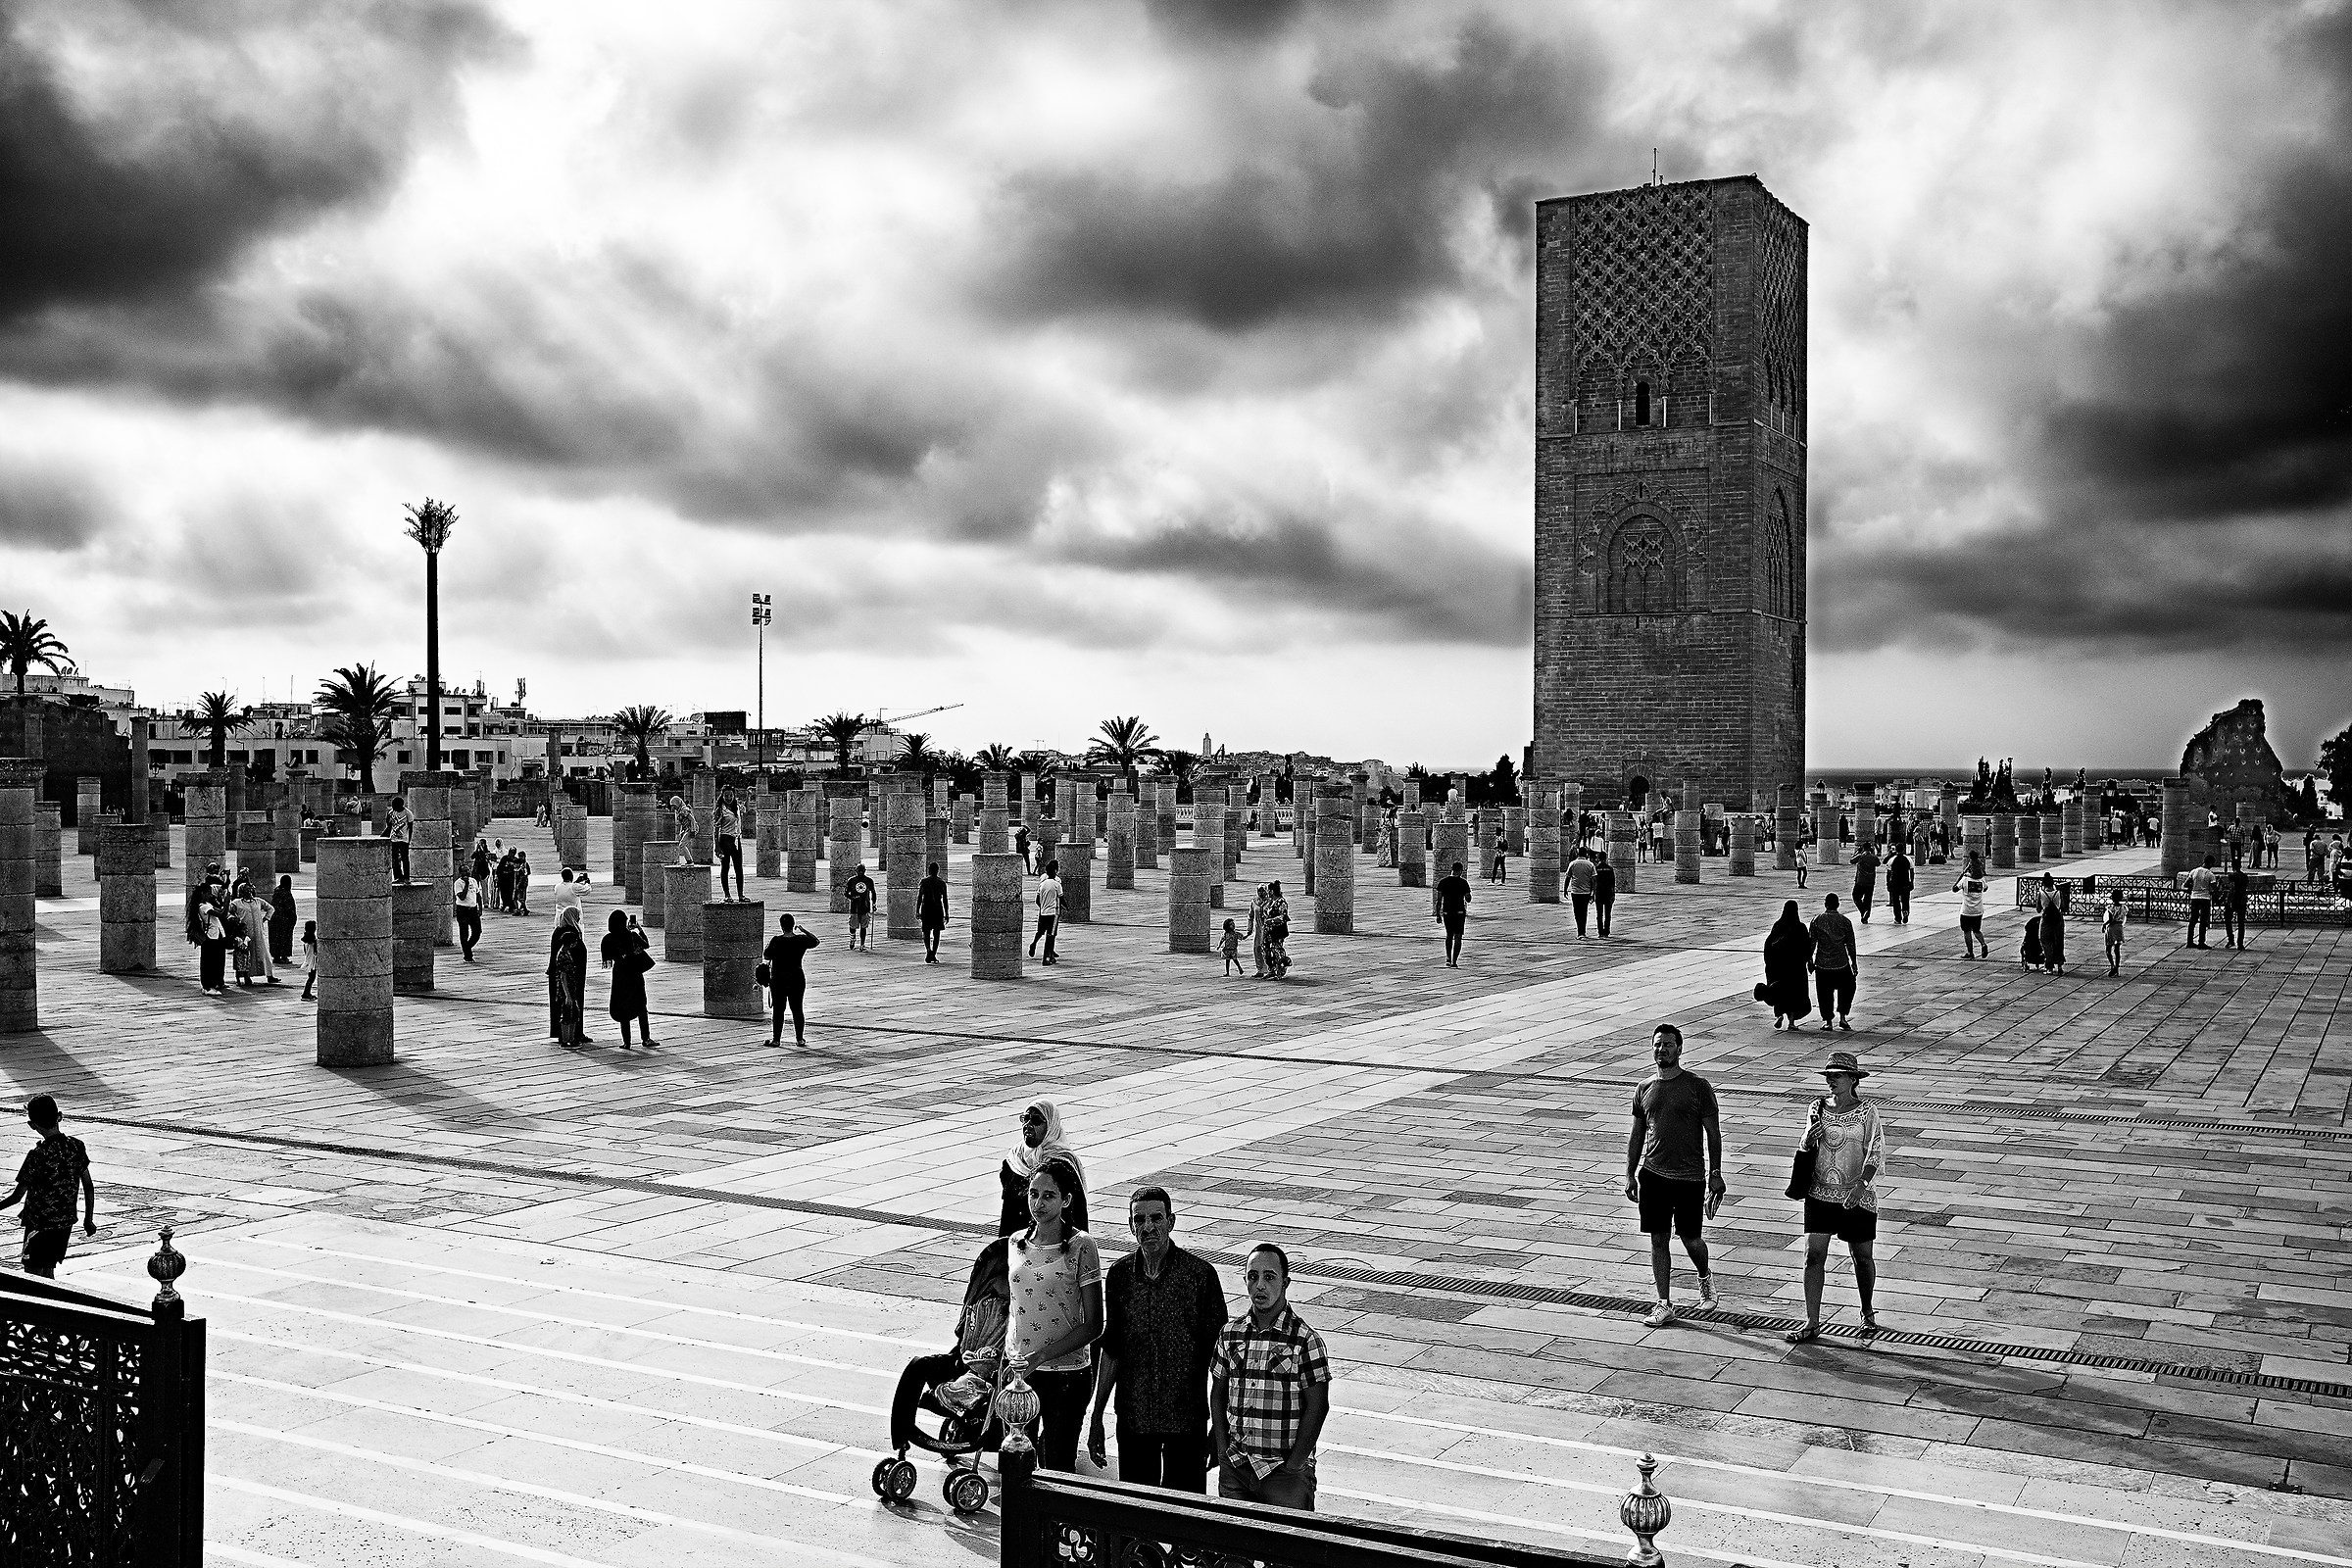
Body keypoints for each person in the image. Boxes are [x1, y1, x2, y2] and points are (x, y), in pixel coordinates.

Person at [1088, 1187, 1229, 1492]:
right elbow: (1111, 1349)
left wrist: (1220, 1427)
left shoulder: (1199, 1276)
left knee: (1185, 1518)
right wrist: (1096, 1416)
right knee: (1137, 1519)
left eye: (1156, 1218)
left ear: (1171, 1221)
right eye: (1140, 1220)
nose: (1148, 1227)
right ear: (1130, 1225)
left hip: (1186, 1420)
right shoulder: (1120, 1275)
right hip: (1134, 1419)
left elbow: (1221, 1360)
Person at [1210, 1243, 1330, 1511]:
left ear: (1285, 1282)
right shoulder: (1231, 1334)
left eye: (1269, 1277)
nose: (1260, 1285)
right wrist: (1223, 1451)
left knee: (1287, 1550)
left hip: (1284, 1474)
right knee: (1234, 1550)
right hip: (1238, 1468)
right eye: (1253, 1277)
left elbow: (1318, 1406)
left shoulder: (1304, 1340)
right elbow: (1218, 1394)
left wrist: (1295, 1464)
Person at [1004, 1162, 1102, 1473]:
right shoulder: (1015, 1242)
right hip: (1021, 1373)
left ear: (1067, 1200)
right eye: (1034, 1194)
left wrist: (1041, 1355)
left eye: (1049, 1195)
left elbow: (1094, 1324)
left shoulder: (1081, 1246)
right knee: (1017, 1462)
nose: (1039, 1203)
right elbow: (1015, 1306)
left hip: (1065, 1377)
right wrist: (1008, 1357)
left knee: (1056, 1466)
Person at [1624, 1024, 1724, 1325]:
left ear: (1679, 1049)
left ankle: (1705, 1277)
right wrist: (1630, 1174)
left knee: (1691, 1239)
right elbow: (1637, 1134)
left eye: (1668, 1045)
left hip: (1690, 1177)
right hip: (1653, 1175)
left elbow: (1713, 1134)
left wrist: (1716, 1173)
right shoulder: (1644, 1089)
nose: (1661, 1049)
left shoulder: (1697, 1086)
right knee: (1658, 1239)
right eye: (1657, 1045)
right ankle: (1664, 1303)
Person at [1787, 1051, 1886, 1344]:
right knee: (1812, 1256)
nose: (1831, 1081)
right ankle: (1811, 1321)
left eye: (1837, 1076)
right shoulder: (1817, 1107)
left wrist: (1862, 1185)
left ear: (1853, 1079)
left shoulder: (1867, 1112)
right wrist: (1807, 1140)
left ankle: (1867, 1311)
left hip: (1856, 1196)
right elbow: (1806, 1142)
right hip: (1819, 1193)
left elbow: (1875, 1150)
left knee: (1862, 1258)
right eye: (1829, 1076)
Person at [1, 1096, 94, 1279]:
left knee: (34, 1276)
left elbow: (16, 1196)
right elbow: (88, 1186)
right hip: (64, 1224)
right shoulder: (76, 1147)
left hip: (40, 1225)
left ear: (32, 1125)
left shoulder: (37, 1155)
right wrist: (88, 1219)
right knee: (48, 1273)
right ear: (59, 1116)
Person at [999, 1101, 1088, 1236]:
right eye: (1025, 1118)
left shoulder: (1062, 1165)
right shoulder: (1014, 1160)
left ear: (1050, 1126)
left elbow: (1076, 1213)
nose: (1028, 1125)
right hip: (1015, 1241)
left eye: (1036, 1121)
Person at [602, 909, 657, 1048]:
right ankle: (646, 1038)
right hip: (634, 973)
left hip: (619, 974)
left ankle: (627, 1042)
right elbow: (646, 944)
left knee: (622, 1006)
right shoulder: (631, 936)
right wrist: (638, 928)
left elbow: (609, 957)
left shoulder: (608, 939)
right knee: (641, 1006)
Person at [763, 912, 819, 1047]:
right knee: (797, 1009)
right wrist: (803, 930)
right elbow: (815, 941)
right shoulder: (801, 940)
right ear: (793, 925)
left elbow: (766, 956)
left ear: (781, 926)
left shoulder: (776, 940)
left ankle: (776, 1039)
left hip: (778, 980)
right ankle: (799, 1039)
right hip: (796, 978)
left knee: (778, 1010)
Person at [1809, 894, 1859, 1031]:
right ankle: (1843, 1017)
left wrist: (1810, 961)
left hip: (1822, 964)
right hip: (1841, 962)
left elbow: (1811, 943)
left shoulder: (1816, 921)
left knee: (1824, 993)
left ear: (1825, 904)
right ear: (1838, 905)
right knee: (1848, 988)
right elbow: (1851, 945)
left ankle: (1828, 1021)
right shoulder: (1845, 922)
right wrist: (1854, 962)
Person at [1762, 901, 1812, 1030]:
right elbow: (1807, 947)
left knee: (1780, 991)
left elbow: (1769, 945)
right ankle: (1791, 1022)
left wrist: (1769, 964)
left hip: (1779, 967)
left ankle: (1779, 1015)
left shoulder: (1778, 926)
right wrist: (1809, 961)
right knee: (1795, 994)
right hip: (1796, 968)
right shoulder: (1800, 927)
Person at [547, 906, 590, 1046]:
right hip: (570, 976)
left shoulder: (558, 931)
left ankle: (564, 1033)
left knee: (562, 1005)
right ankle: (571, 1035)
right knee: (570, 1005)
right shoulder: (570, 933)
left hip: (558, 976)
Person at [233, 881, 274, 986]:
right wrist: (235, 922)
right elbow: (229, 912)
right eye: (246, 890)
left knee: (264, 953)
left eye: (250, 889)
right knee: (246, 956)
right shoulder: (237, 903)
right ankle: (246, 977)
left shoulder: (258, 901)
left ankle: (269, 975)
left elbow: (270, 908)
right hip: (245, 934)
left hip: (259, 932)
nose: (249, 891)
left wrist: (265, 919)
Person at [1435, 860, 1472, 967]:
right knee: (1458, 936)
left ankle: (1448, 958)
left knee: (1449, 935)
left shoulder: (1443, 882)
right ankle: (1454, 961)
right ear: (1460, 871)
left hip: (1447, 912)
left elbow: (1439, 900)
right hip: (1459, 912)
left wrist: (1438, 914)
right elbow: (1468, 898)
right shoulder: (1463, 883)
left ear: (1452, 869)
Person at [1953, 854, 1988, 959]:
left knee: (1967, 931)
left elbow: (1954, 889)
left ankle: (1970, 952)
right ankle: (1983, 944)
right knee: (1977, 930)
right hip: (1978, 910)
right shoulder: (1981, 880)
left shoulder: (1965, 880)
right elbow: (1985, 888)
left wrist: (1963, 873)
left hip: (1966, 910)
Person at [1030, 859, 1061, 965]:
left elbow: (1038, 898)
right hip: (1053, 911)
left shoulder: (1042, 878)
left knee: (1040, 931)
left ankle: (1034, 943)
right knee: (1051, 934)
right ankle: (1048, 956)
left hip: (1042, 909)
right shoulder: (1057, 881)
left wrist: (1042, 906)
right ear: (1055, 870)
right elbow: (1060, 897)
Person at [714, 791, 745, 901]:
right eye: (726, 795)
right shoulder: (720, 810)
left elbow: (746, 808)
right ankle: (727, 895)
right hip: (725, 839)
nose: (728, 798)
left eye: (731, 795)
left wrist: (748, 795)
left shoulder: (737, 808)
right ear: (722, 796)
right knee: (725, 867)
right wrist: (717, 846)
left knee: (739, 868)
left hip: (736, 839)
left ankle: (741, 894)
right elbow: (716, 829)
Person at [918, 861, 950, 963]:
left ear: (929, 870)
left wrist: (917, 911)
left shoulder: (924, 881)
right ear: (938, 871)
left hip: (926, 908)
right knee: (937, 933)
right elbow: (945, 899)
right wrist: (947, 913)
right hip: (937, 909)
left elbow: (920, 897)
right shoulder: (941, 883)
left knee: (926, 932)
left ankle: (928, 950)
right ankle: (933, 953)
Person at [2181, 855, 2216, 949]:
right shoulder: (2210, 874)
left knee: (2193, 920)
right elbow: (2214, 888)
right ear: (2210, 863)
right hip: (2205, 898)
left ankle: (2189, 941)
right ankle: (2201, 942)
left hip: (2194, 898)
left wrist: (2192, 890)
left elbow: (2185, 884)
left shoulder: (2194, 871)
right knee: (2203, 921)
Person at [2036, 872, 2067, 974]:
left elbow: (2038, 909)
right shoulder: (2058, 893)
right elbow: (2063, 907)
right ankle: (2059, 966)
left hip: (2046, 920)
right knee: (2058, 942)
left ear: (2043, 884)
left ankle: (2049, 967)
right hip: (2058, 920)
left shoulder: (2041, 893)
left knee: (2046, 942)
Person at [1565, 845, 1597, 938]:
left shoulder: (1573, 864)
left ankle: (1580, 932)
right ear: (1586, 854)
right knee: (1584, 912)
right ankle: (1583, 931)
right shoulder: (1590, 864)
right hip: (1586, 892)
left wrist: (1565, 889)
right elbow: (1594, 880)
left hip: (1575, 892)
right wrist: (1594, 893)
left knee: (1577, 912)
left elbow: (1568, 878)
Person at [1260, 883, 1291, 979]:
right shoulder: (1270, 902)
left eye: (1269, 890)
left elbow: (1283, 917)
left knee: (1276, 949)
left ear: (1272, 891)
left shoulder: (1281, 902)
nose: (1267, 892)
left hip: (1278, 930)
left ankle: (1280, 971)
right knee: (1266, 950)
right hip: (1268, 931)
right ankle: (1271, 970)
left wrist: (1272, 920)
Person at [844, 864, 876, 951]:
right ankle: (852, 937)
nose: (861, 872)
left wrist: (874, 904)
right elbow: (846, 893)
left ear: (865, 871)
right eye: (859, 870)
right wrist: (852, 898)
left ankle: (862, 944)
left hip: (865, 907)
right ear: (856, 871)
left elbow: (873, 892)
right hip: (854, 907)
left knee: (864, 927)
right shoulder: (851, 881)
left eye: (862, 870)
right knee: (853, 925)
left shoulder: (869, 881)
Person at [454, 868, 483, 961]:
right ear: (460, 873)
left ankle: (467, 947)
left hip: (473, 909)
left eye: (468, 871)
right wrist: (466, 884)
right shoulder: (458, 883)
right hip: (463, 910)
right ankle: (468, 955)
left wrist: (480, 908)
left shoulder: (473, 881)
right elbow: (462, 897)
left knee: (477, 931)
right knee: (464, 933)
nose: (467, 873)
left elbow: (478, 895)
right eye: (464, 871)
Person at [269, 874, 298, 964]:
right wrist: (293, 917)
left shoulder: (277, 892)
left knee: (275, 939)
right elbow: (289, 908)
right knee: (285, 938)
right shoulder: (286, 893)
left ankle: (276, 956)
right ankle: (284, 956)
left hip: (274, 919)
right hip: (284, 921)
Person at [385, 796, 415, 882]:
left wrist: (409, 840)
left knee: (405, 858)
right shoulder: (391, 812)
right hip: (393, 839)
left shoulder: (408, 813)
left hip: (404, 839)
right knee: (394, 859)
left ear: (400, 805)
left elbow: (411, 827)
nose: (393, 808)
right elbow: (389, 825)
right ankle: (398, 876)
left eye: (395, 806)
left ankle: (406, 877)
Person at [2224, 859, 2250, 952]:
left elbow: (2232, 887)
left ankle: (2231, 939)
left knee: (2228, 920)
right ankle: (2240, 943)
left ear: (2232, 866)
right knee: (2241, 923)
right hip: (2242, 899)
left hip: (2234, 899)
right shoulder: (2245, 876)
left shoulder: (2232, 876)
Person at [1850, 843, 1879, 924]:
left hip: (1860, 881)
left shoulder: (1860, 856)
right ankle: (1865, 917)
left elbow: (1852, 860)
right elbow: (1878, 863)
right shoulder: (1873, 857)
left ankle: (1863, 911)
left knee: (1856, 896)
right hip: (1870, 882)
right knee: (1868, 899)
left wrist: (1857, 852)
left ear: (1863, 848)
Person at [1884, 846, 1913, 926]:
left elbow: (1888, 873)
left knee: (1896, 901)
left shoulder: (1892, 859)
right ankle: (1905, 911)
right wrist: (1911, 882)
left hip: (1895, 883)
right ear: (1903, 850)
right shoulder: (1908, 859)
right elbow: (1911, 871)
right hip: (1905, 882)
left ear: (1896, 850)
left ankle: (1898, 918)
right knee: (1905, 900)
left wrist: (1888, 882)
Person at [1592, 850, 1617, 937]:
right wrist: (1613, 895)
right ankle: (1606, 931)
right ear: (1606, 858)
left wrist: (1593, 893)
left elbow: (1594, 882)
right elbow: (1612, 883)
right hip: (1608, 894)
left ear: (1598, 858)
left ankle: (1600, 931)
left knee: (1599, 914)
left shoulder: (1596, 869)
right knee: (1608, 913)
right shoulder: (1610, 869)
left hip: (1599, 893)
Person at [2103, 888, 2127, 976]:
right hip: (2119, 928)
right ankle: (2117, 967)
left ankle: (2112, 966)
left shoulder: (2110, 908)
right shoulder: (2124, 908)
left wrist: (2104, 925)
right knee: (2117, 950)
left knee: (2108, 949)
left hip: (2111, 928)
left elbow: (2110, 919)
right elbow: (2124, 918)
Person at [667, 796, 694, 863]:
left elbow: (692, 820)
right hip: (686, 829)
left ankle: (689, 860)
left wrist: (693, 830)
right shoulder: (680, 811)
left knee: (682, 844)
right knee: (681, 844)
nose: (673, 808)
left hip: (690, 828)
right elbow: (683, 823)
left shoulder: (684, 810)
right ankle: (686, 860)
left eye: (674, 806)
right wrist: (681, 832)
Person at [299, 919, 318, 1001]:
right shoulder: (313, 940)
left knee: (310, 978)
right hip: (312, 962)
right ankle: (306, 993)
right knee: (311, 978)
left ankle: (306, 993)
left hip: (308, 961)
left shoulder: (306, 940)